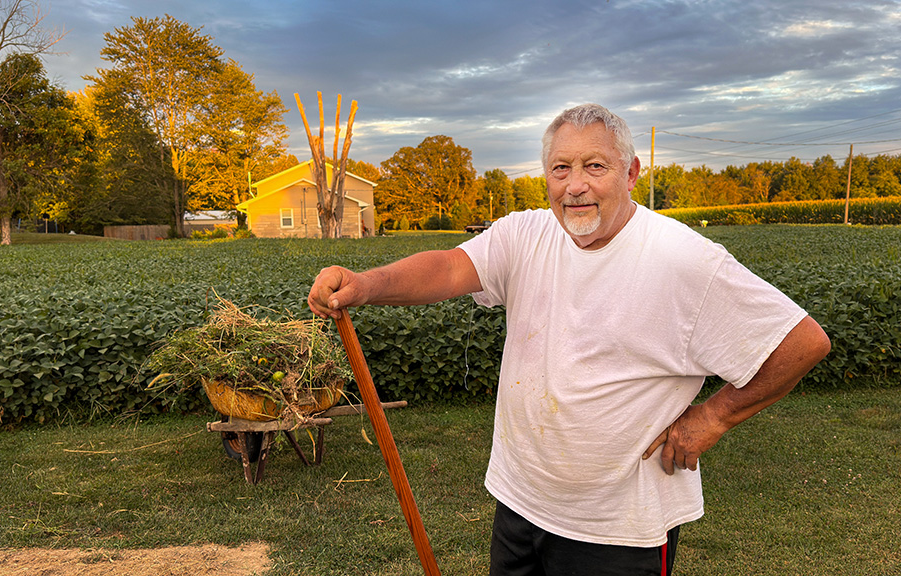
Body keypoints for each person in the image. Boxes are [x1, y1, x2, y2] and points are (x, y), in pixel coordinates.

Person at [308, 103, 831, 576]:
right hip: (521, 502)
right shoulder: (526, 234)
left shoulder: (684, 260)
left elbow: (802, 341)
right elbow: (447, 268)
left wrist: (713, 417)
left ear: (631, 173)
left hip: (619, 531)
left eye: (594, 166)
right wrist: (366, 285)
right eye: (561, 168)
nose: (574, 185)